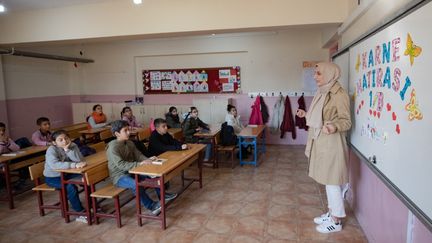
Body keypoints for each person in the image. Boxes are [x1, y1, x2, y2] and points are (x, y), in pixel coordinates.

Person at [296, 62, 351, 234]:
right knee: (328, 182)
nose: (315, 76)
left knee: (332, 182)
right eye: (315, 73)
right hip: (322, 141)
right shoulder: (323, 91)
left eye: (318, 73)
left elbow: (346, 120)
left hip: (332, 143)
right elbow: (319, 116)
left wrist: (334, 126)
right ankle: (331, 213)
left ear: (329, 74)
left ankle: (336, 221)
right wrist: (306, 115)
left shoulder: (339, 94)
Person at [106, 120, 177, 216]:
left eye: (129, 129)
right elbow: (121, 164)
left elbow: (138, 155)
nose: (129, 132)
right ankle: (151, 206)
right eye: (125, 130)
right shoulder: (113, 147)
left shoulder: (129, 143)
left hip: (133, 171)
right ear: (117, 133)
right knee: (136, 185)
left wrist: (148, 160)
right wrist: (140, 164)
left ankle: (162, 195)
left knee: (153, 175)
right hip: (119, 176)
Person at [43, 130, 88, 223]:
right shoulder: (51, 150)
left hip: (67, 174)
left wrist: (67, 150)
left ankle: (93, 205)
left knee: (87, 178)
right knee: (70, 187)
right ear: (54, 142)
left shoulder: (73, 145)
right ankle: (80, 212)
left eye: (66, 138)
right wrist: (73, 165)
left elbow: (79, 160)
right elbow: (54, 165)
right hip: (53, 177)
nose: (64, 141)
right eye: (60, 140)